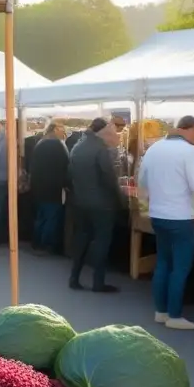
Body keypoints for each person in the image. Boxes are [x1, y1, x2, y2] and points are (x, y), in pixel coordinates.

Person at [138, 115, 194, 327]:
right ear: (188, 129)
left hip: (157, 215)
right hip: (181, 217)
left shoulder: (154, 148)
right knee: (180, 268)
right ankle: (175, 316)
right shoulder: (190, 151)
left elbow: (142, 180)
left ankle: (161, 311)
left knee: (163, 263)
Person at [68, 117, 123, 293]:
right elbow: (109, 178)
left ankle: (74, 277)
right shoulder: (101, 149)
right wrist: (121, 200)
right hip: (102, 204)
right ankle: (98, 283)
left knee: (82, 239)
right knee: (102, 242)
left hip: (81, 201)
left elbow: (70, 174)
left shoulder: (77, 146)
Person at [30, 121, 70, 254]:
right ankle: (46, 245)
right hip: (53, 188)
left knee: (40, 217)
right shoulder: (59, 145)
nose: (63, 132)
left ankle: (36, 243)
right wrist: (66, 184)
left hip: (38, 187)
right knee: (51, 218)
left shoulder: (39, 144)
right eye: (61, 129)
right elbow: (66, 167)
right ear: (55, 129)